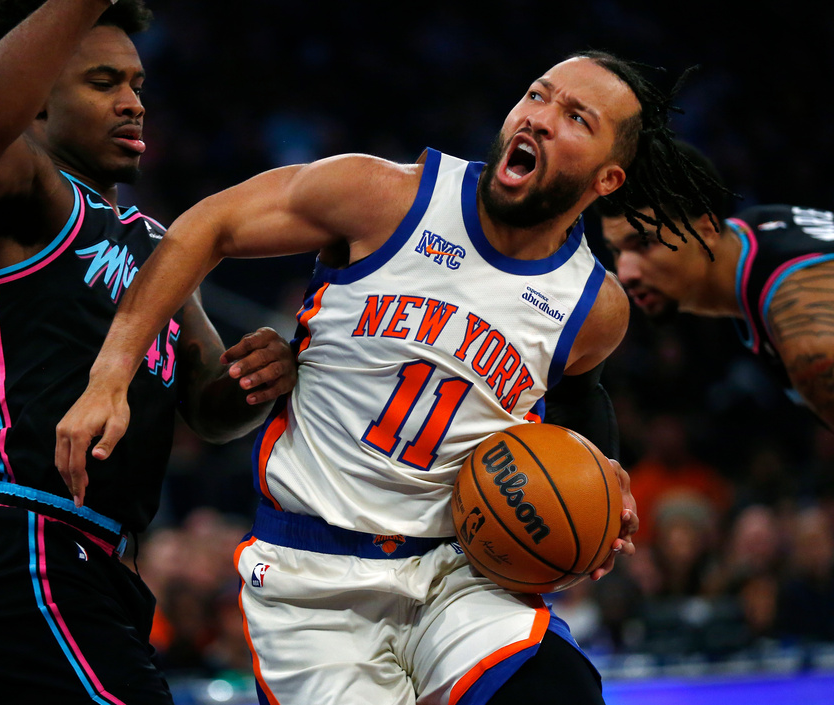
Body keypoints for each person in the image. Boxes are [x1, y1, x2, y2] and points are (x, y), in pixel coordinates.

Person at [56, 50, 725, 704]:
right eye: (537, 94)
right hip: (313, 577)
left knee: (561, 688)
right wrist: (110, 372)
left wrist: (605, 472)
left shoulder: (595, 305)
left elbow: (580, 393)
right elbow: (210, 225)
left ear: (608, 179)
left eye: (577, 117)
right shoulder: (385, 197)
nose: (540, 118)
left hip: (461, 568)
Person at [0, 1, 297, 704]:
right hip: (21, 543)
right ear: (34, 105)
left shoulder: (156, 242)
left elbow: (207, 404)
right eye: (102, 82)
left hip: (100, 565)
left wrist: (260, 374)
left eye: (137, 85)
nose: (132, 104)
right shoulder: (28, 199)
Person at [598, 140, 834, 430]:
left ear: (707, 231)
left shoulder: (809, 339)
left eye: (645, 244)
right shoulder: (761, 228)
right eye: (618, 250)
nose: (626, 273)